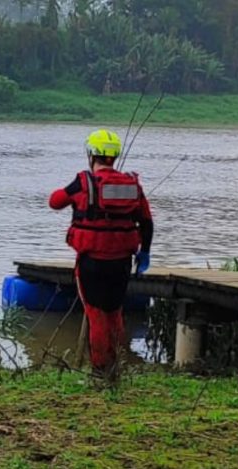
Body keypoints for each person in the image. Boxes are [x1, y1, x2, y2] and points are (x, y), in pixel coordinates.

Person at [49, 129, 153, 380]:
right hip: (122, 262)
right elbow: (147, 223)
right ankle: (117, 364)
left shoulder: (83, 182)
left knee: (96, 315)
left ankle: (100, 371)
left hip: (91, 263)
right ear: (114, 156)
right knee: (115, 312)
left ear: (91, 154)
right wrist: (145, 253)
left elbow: (54, 201)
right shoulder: (131, 184)